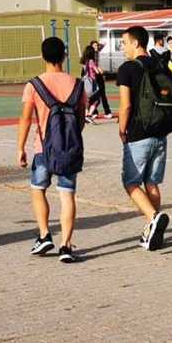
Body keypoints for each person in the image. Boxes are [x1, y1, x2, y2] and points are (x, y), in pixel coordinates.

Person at [18, 37, 86, 263]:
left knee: (38, 189)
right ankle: (66, 245)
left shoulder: (34, 85)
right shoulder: (77, 84)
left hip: (42, 148)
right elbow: (80, 119)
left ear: (42, 56)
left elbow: (26, 119)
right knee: (67, 195)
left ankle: (45, 234)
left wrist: (20, 148)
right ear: (64, 56)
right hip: (69, 149)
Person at [116, 25, 171, 251]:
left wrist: (122, 129)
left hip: (138, 133)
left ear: (136, 43)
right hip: (160, 131)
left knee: (131, 182)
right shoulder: (160, 64)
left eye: (124, 43)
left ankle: (153, 217)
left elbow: (126, 105)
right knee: (151, 182)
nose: (122, 47)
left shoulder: (127, 68)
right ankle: (152, 230)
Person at [88, 40, 113, 118]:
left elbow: (104, 43)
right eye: (94, 46)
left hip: (98, 76)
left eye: (97, 45)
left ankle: (107, 112)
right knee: (93, 95)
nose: (96, 47)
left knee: (102, 94)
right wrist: (98, 69)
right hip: (93, 77)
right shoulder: (90, 56)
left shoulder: (97, 52)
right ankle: (94, 112)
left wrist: (98, 44)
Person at [80, 45, 104, 123]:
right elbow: (97, 71)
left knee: (88, 100)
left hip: (85, 83)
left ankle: (86, 115)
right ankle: (89, 115)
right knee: (97, 100)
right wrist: (99, 69)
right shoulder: (91, 61)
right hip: (92, 83)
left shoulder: (84, 62)